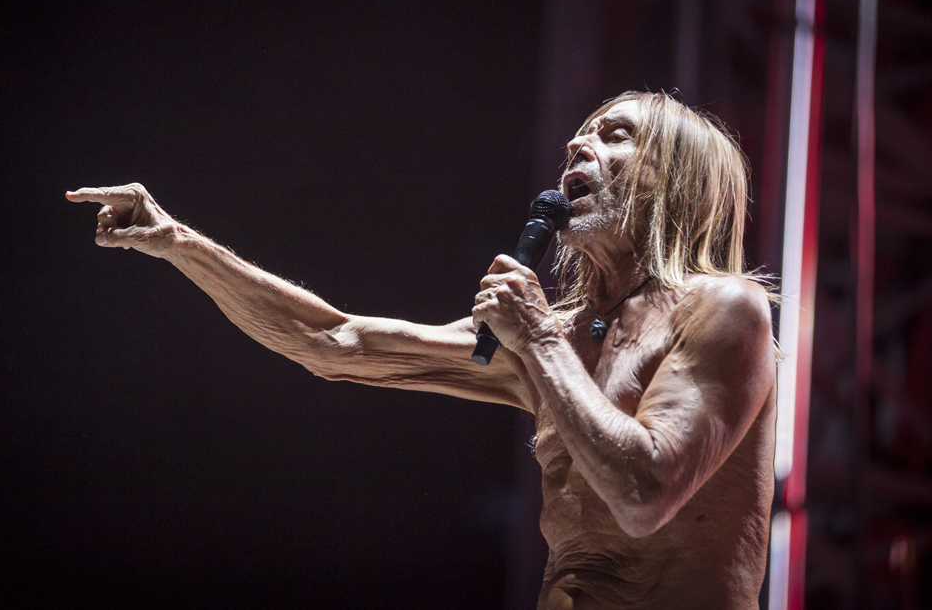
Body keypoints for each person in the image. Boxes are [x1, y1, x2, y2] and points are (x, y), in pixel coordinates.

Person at [67, 91, 776, 610]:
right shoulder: (557, 337)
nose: (577, 146)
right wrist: (179, 242)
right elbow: (334, 341)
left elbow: (644, 495)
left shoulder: (726, 310)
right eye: (578, 137)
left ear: (676, 178)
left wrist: (536, 337)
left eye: (614, 136)